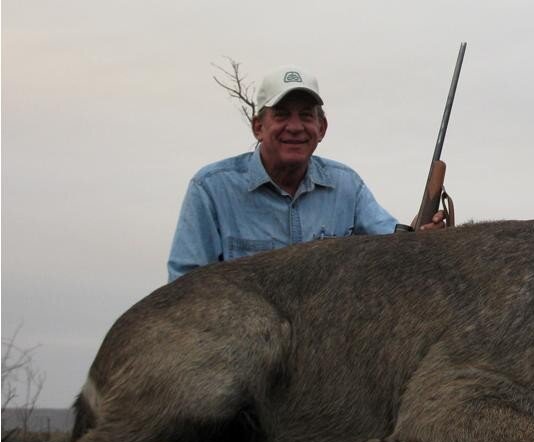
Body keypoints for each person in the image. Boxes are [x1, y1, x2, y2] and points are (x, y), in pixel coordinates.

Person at [167, 64, 445, 281]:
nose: (295, 126)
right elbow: (185, 289)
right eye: (281, 115)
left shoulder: (346, 186)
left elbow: (393, 249)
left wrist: (422, 236)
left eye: (306, 116)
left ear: (321, 128)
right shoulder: (211, 189)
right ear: (258, 127)